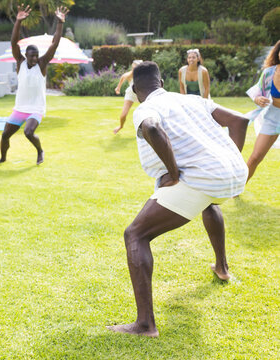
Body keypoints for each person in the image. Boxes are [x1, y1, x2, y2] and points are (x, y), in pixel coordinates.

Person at [107, 61, 248, 338]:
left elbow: (152, 128)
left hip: (201, 177)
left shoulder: (145, 108)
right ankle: (221, 268)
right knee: (208, 201)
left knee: (135, 235)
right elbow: (240, 121)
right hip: (232, 175)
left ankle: (145, 325)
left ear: (135, 90)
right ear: (161, 83)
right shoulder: (192, 99)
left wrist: (172, 173)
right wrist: (231, 163)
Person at [0, 4, 69, 165]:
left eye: (36, 56)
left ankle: (40, 151)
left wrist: (60, 23)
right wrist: (18, 22)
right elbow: (14, 42)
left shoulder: (42, 64)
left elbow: (54, 44)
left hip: (36, 108)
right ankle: (2, 158)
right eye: (32, 56)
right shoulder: (20, 62)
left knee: (28, 132)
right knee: (5, 135)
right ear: (26, 56)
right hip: (20, 108)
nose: (35, 59)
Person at [245, 40, 280, 182]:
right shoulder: (269, 73)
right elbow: (257, 92)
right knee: (255, 157)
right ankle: (236, 190)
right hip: (272, 118)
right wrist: (257, 99)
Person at [114, 60, 143, 134]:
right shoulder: (129, 75)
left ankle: (142, 129)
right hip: (131, 94)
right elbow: (123, 77)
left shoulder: (144, 75)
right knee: (123, 115)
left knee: (144, 113)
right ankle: (120, 126)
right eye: (134, 67)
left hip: (141, 94)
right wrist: (118, 87)